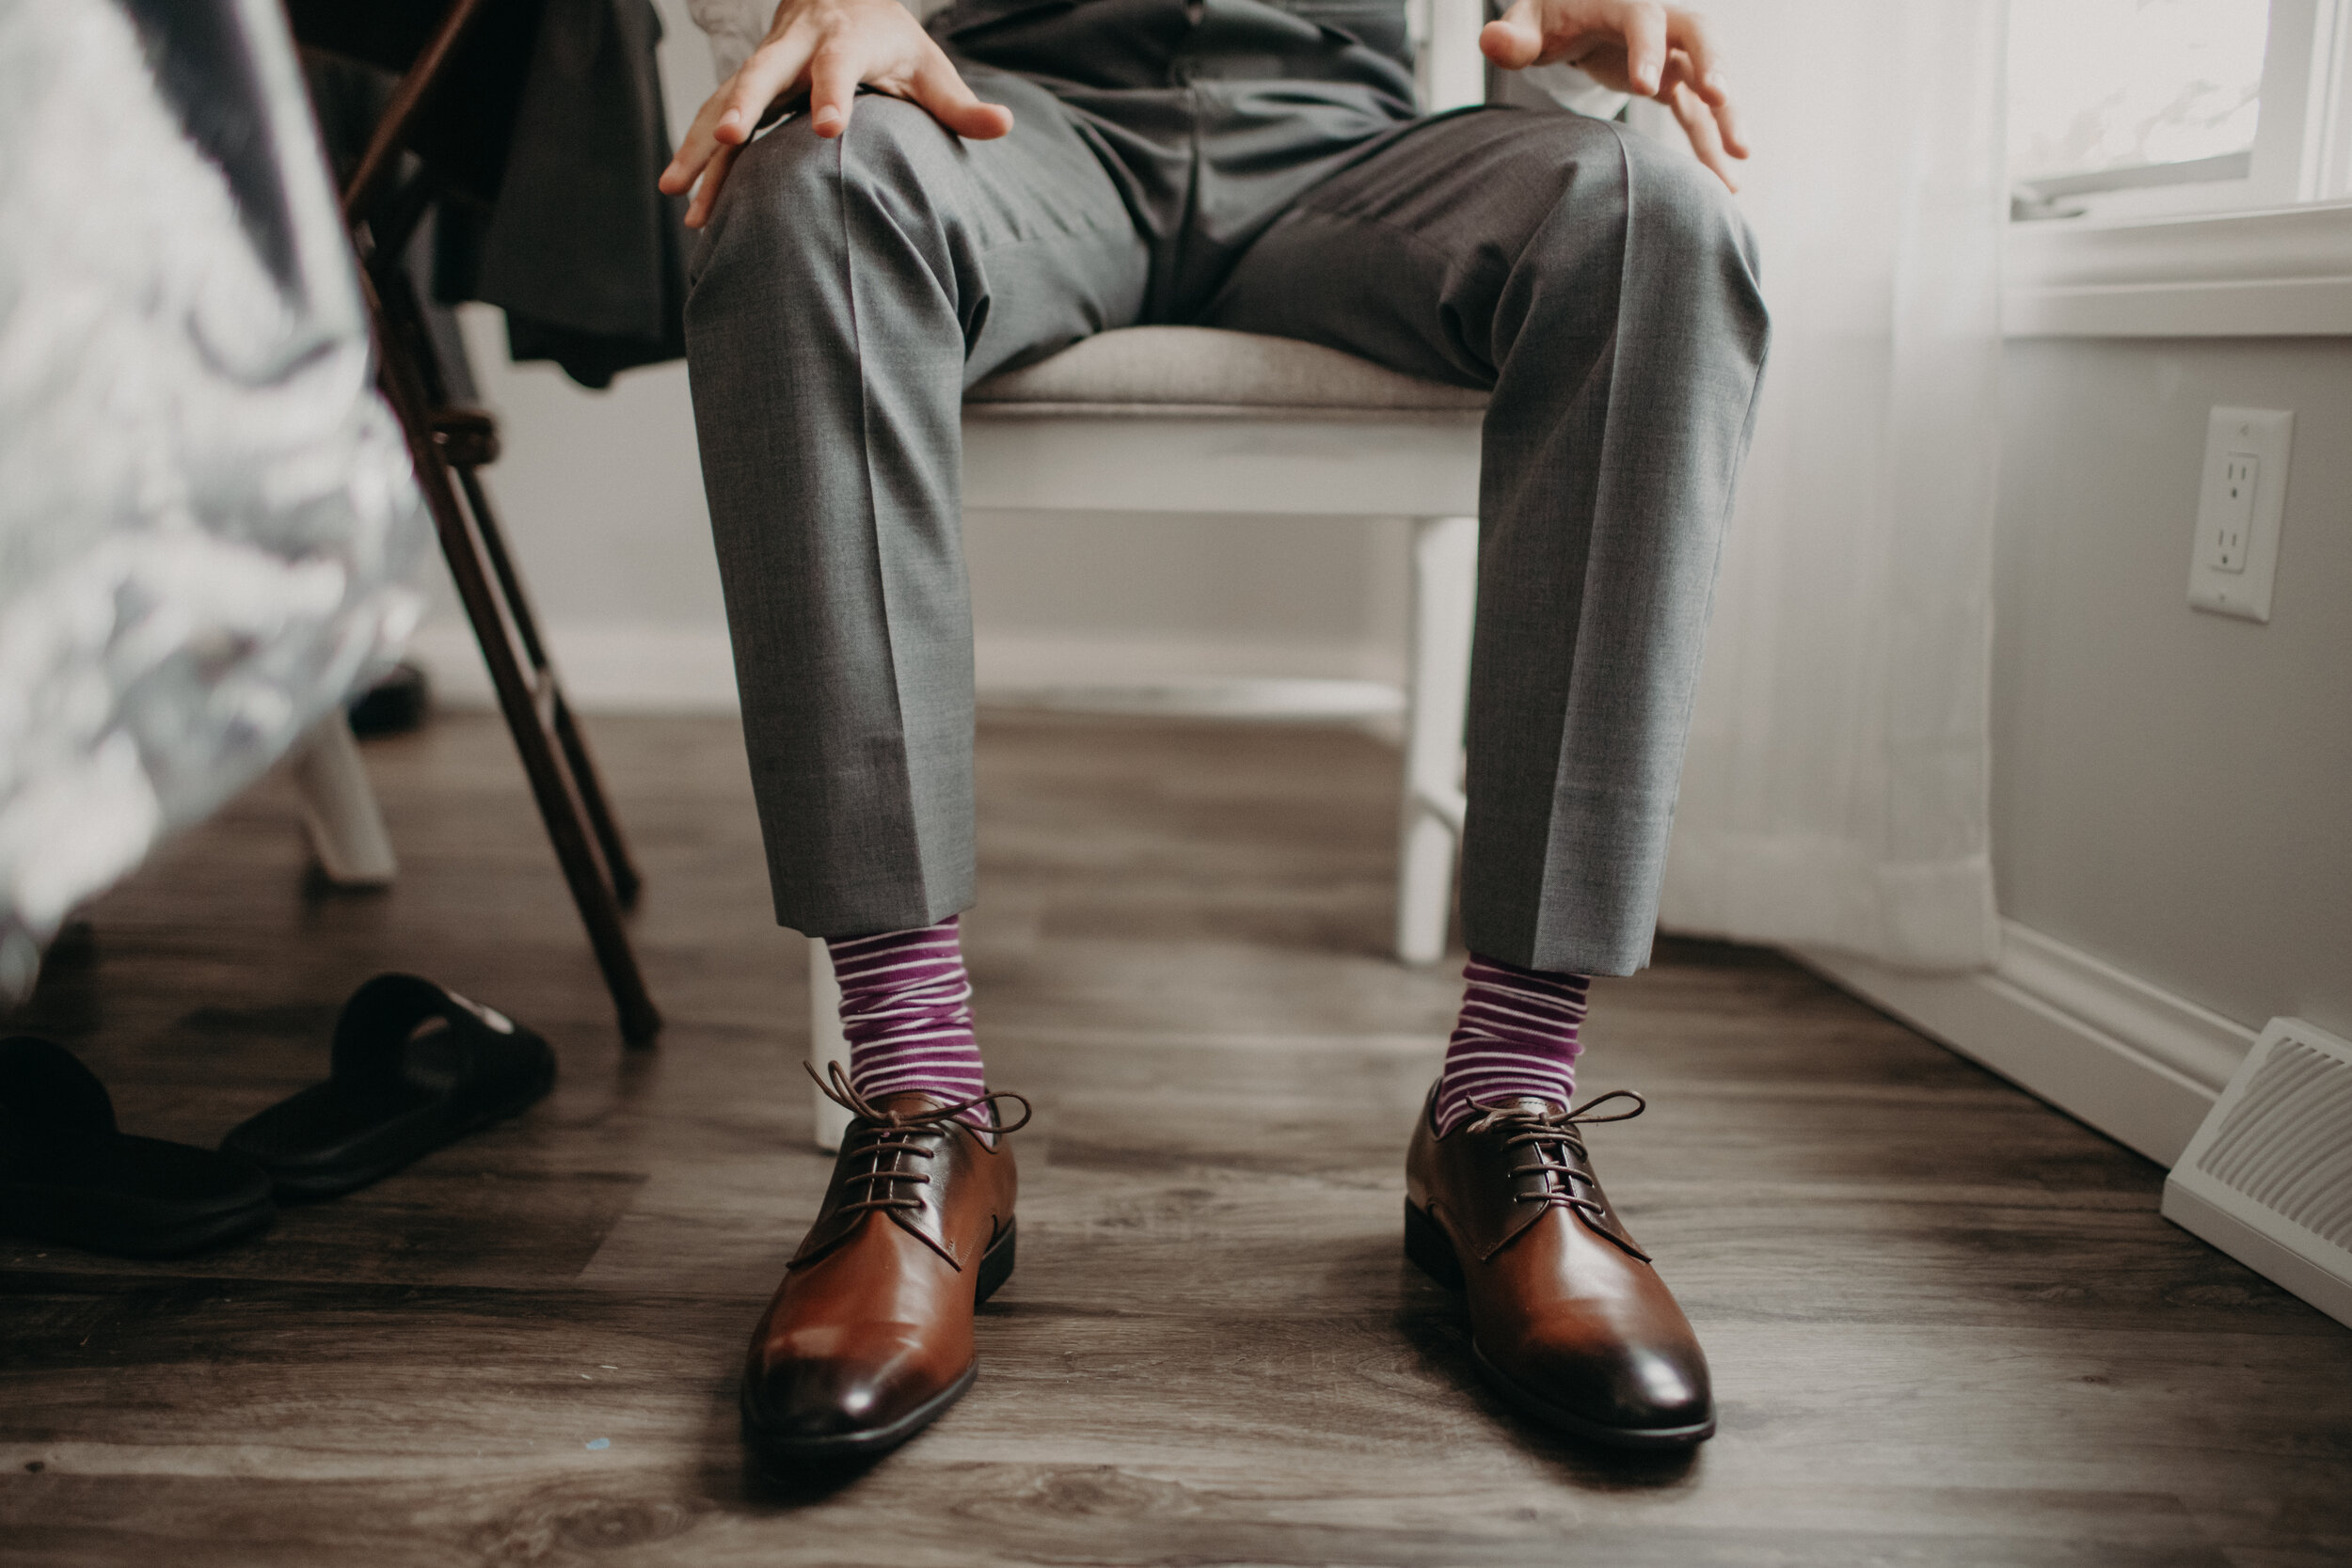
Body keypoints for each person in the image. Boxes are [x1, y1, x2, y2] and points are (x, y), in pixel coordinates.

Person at [660, 0, 1768, 1467]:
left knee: (1662, 218)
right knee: (809, 187)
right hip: (1020, 123)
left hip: (1349, 155)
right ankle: (921, 1090)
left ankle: (1506, 1097)